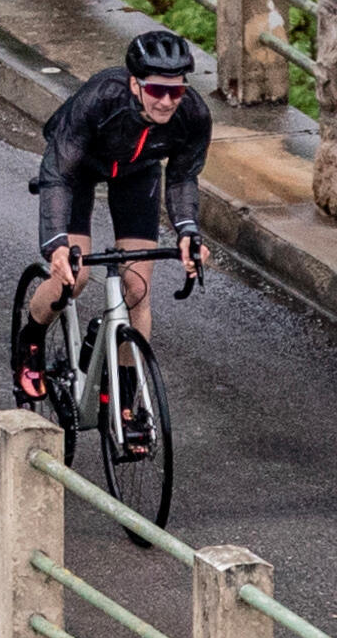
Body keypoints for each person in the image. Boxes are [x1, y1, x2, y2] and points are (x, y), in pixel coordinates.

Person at [14, 28, 213, 405]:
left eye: (177, 90)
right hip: (77, 170)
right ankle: (32, 339)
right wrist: (56, 245)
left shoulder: (193, 115)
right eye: (157, 90)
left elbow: (184, 176)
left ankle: (124, 394)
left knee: (137, 289)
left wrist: (188, 231)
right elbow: (57, 175)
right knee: (75, 277)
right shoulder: (101, 100)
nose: (168, 101)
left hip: (138, 171)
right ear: (135, 86)